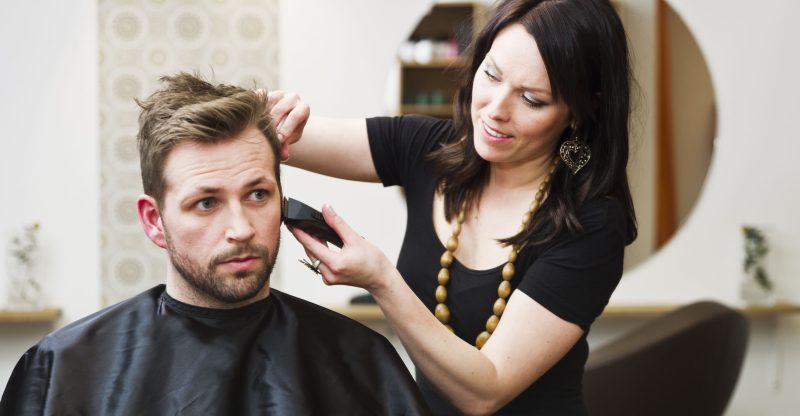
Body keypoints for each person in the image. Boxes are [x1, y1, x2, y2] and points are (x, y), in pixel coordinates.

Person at [271, 0, 637, 414]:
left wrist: (381, 281)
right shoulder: (429, 148)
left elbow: (484, 392)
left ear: (578, 112)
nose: (495, 110)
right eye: (492, 75)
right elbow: (285, 135)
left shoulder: (592, 224)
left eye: (532, 99)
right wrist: (267, 116)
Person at [0, 73, 430, 416]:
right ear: (154, 221)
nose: (241, 228)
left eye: (257, 195)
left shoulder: (360, 362)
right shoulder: (65, 369)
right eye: (206, 203)